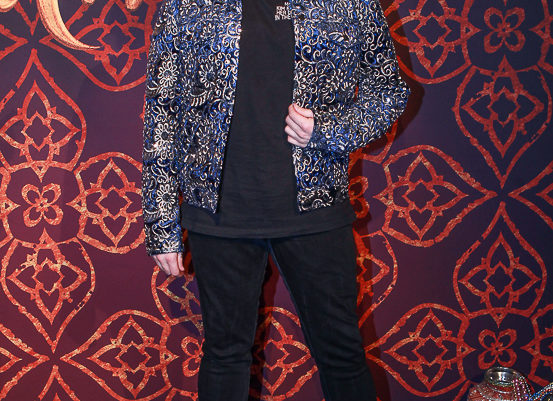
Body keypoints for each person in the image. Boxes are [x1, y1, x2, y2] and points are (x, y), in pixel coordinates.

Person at [141, 0, 409, 398]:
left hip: (316, 205)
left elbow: (389, 91)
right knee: (224, 355)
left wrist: (328, 131)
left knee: (342, 355)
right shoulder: (186, 6)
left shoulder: (349, 3)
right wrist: (160, 221)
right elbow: (161, 112)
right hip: (219, 212)